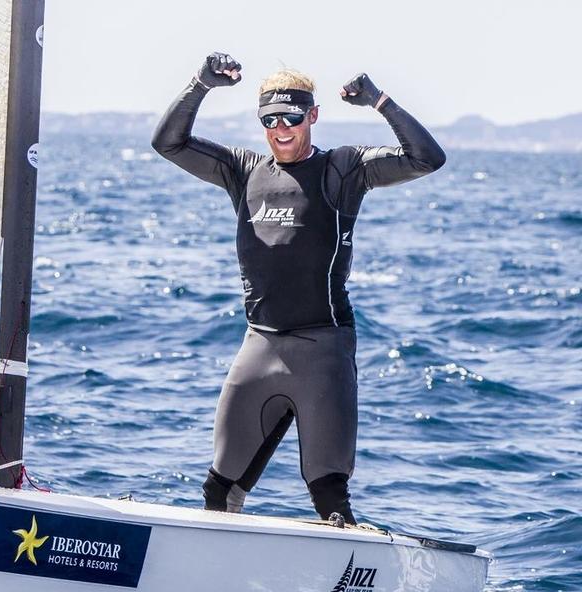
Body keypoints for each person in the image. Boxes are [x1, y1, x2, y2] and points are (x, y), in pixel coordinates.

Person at [152, 53, 446, 524]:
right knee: (218, 488)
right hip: (259, 346)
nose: (281, 127)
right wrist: (199, 84)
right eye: (269, 118)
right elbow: (168, 142)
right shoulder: (243, 170)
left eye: (291, 116)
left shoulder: (344, 170)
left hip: (322, 349)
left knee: (329, 496)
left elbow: (426, 158)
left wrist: (380, 101)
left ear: (312, 115)